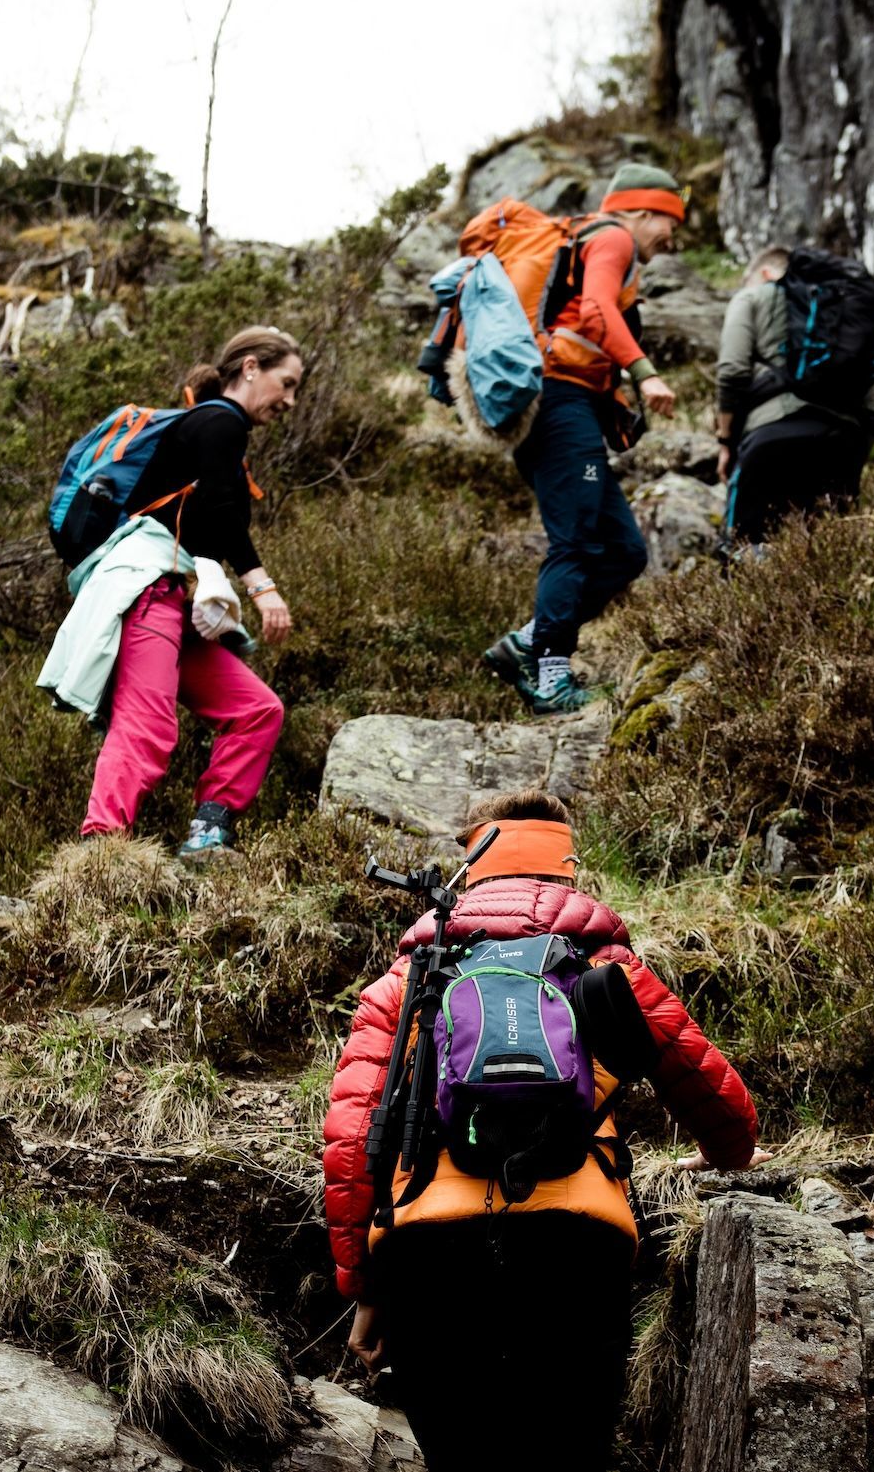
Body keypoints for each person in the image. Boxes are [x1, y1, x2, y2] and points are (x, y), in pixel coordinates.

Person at [322, 790, 767, 1472]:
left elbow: (352, 1143)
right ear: (567, 874)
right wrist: (727, 1152)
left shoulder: (408, 979)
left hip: (428, 1248)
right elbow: (724, 1105)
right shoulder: (606, 971)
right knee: (569, 1448)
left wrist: (365, 1289)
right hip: (576, 1237)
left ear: (473, 872)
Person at [69, 325, 298, 858]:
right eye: (285, 383)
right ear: (249, 369)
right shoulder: (220, 421)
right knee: (147, 726)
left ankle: (207, 832)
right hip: (147, 590)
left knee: (257, 710)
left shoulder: (215, 429)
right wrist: (262, 588)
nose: (290, 400)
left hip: (174, 597)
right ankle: (101, 853)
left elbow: (209, 521)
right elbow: (221, 509)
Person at [482, 164, 685, 715]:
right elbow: (596, 307)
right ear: (643, 210)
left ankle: (525, 644)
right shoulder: (613, 235)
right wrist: (646, 373)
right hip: (559, 403)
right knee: (575, 543)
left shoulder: (591, 238)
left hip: (566, 407)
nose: (672, 240)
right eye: (670, 223)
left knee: (623, 552)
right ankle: (550, 674)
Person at [715, 246, 874, 541]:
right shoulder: (841, 306)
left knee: (743, 551)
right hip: (843, 439)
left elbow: (731, 371)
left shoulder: (753, 296)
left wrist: (726, 441)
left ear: (764, 273)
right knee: (834, 554)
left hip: (773, 436)